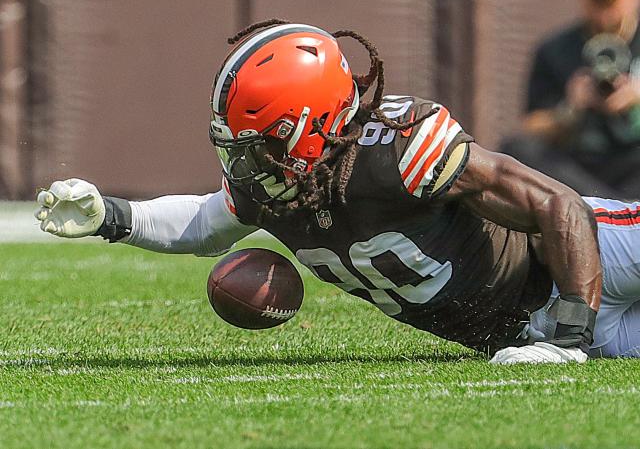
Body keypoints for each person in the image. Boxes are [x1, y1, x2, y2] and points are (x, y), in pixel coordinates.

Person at [35, 20, 640, 364]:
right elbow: (203, 224)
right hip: (526, 330)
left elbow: (557, 205)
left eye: (263, 139)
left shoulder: (398, 148)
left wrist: (569, 339)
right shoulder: (282, 186)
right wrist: (109, 215)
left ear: (315, 122)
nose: (246, 158)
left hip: (590, 264)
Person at [505, 0, 640, 199]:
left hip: (633, 161)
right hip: (578, 166)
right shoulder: (554, 49)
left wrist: (635, 95)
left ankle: (604, 211)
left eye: (612, 3)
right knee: (518, 150)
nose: (606, 17)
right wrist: (571, 107)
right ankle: (612, 211)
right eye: (597, 3)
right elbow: (531, 127)